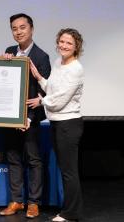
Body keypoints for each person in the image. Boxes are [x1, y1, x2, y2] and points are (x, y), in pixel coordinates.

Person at [0, 13, 51, 219]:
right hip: (9, 118)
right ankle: (16, 201)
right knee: (13, 159)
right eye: (14, 28)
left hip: (30, 120)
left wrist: (28, 119)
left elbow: (43, 91)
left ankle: (34, 203)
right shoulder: (9, 52)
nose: (18, 32)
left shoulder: (41, 56)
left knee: (33, 160)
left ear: (31, 29)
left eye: (22, 27)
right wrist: (4, 63)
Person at [29, 28, 85, 222]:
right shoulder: (57, 63)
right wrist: (39, 77)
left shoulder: (76, 68)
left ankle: (71, 213)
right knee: (65, 169)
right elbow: (52, 88)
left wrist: (41, 102)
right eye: (61, 41)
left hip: (69, 124)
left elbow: (60, 99)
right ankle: (69, 211)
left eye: (69, 43)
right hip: (57, 123)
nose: (64, 45)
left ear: (76, 46)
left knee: (69, 171)